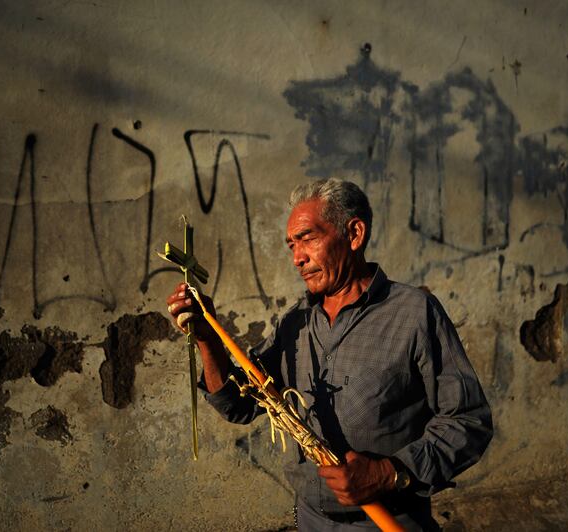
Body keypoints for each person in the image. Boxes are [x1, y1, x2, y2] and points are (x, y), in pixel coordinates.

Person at [166, 179, 493, 531]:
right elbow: (238, 404)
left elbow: (469, 421)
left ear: (354, 234)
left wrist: (389, 473)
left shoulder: (415, 313)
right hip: (311, 520)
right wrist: (207, 338)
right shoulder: (294, 324)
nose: (297, 258)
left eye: (308, 238)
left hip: (387, 521)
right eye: (291, 245)